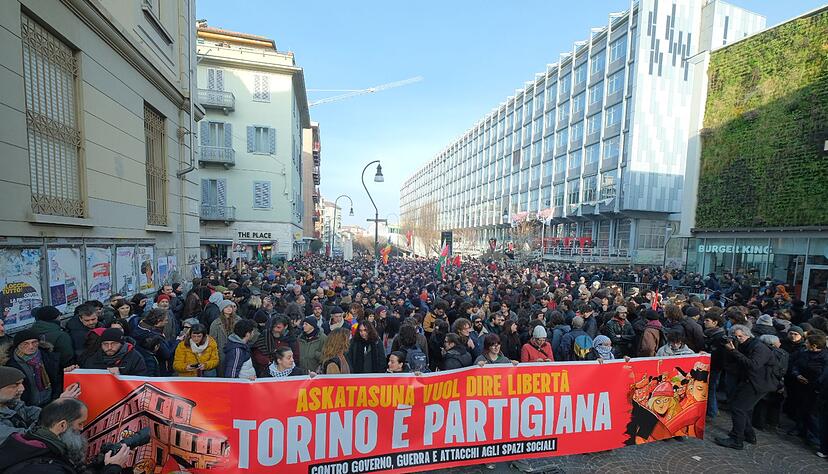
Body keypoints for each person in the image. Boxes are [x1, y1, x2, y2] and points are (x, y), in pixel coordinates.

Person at [0, 397, 130, 473]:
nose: (82, 428)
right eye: (80, 423)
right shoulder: (46, 467)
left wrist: (99, 465)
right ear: (62, 425)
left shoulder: (34, 442)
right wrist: (113, 468)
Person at [715, 325, 777, 450]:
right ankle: (748, 434)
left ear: (748, 335)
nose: (738, 339)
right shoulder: (743, 345)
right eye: (736, 337)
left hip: (758, 383)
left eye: (740, 336)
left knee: (738, 408)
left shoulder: (759, 347)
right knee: (744, 409)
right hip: (750, 380)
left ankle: (737, 439)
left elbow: (753, 365)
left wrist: (734, 351)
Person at [4, 330, 66, 408]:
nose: (31, 346)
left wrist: (56, 399)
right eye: (25, 343)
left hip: (51, 402)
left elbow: (58, 379)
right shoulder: (9, 364)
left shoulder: (49, 357)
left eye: (34, 342)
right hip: (27, 408)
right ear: (17, 345)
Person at [787, 333, 828, 447]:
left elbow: (823, 376)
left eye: (807, 342)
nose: (805, 344)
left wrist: (814, 384)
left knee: (812, 413)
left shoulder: (825, 358)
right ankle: (800, 428)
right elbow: (796, 365)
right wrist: (797, 375)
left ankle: (814, 436)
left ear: (814, 346)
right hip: (802, 386)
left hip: (816, 390)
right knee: (800, 408)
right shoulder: (804, 353)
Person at [80, 328, 147, 376]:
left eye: (114, 343)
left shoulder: (135, 357)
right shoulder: (93, 356)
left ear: (121, 344)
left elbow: (141, 379)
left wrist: (121, 376)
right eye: (105, 344)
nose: (109, 347)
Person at [210, 300, 240, 366]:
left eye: (230, 307)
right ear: (222, 309)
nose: (229, 308)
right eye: (226, 307)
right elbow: (212, 339)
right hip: (221, 352)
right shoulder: (216, 323)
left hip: (235, 350)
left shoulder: (238, 320)